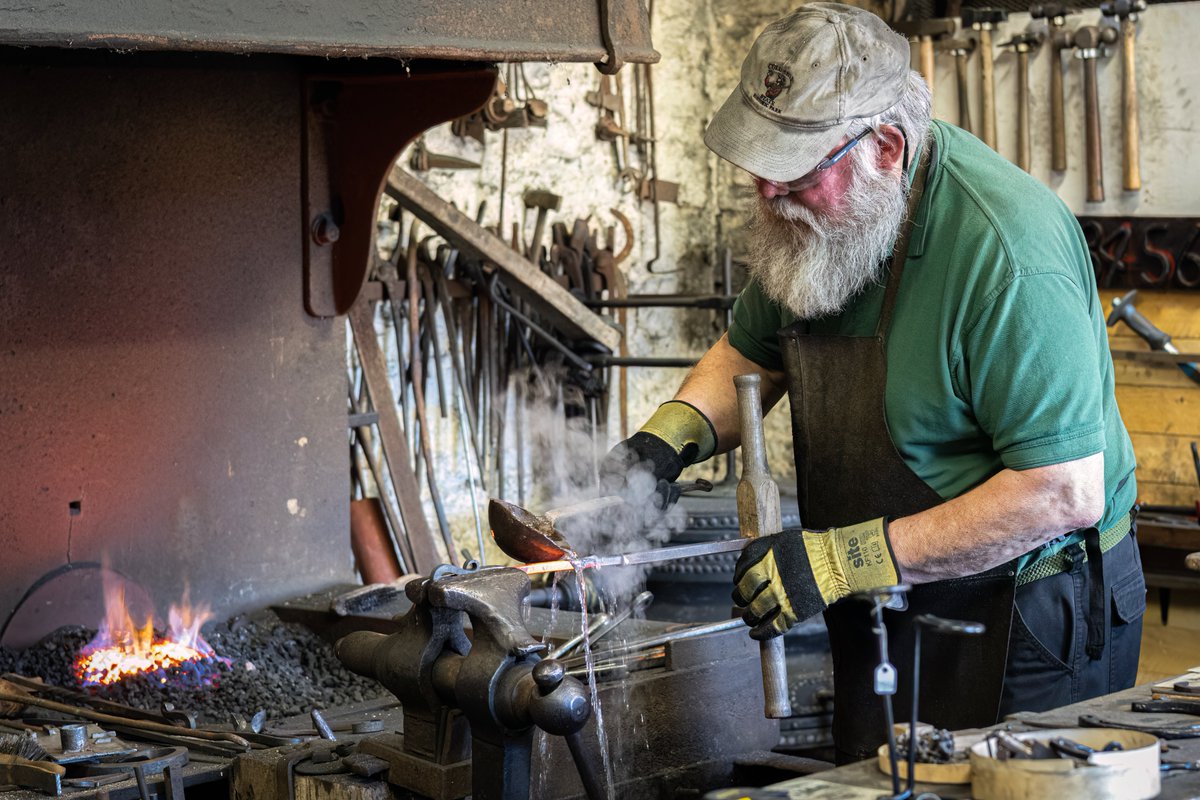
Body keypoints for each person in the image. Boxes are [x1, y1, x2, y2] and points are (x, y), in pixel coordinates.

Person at [600, 2, 1145, 762]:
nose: (765, 191)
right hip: (886, 589)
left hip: (1023, 606)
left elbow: (1060, 491)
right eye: (758, 164)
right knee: (875, 781)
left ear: (884, 148)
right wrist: (667, 440)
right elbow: (750, 351)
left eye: (790, 169)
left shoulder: (1006, 252)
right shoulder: (819, 223)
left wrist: (837, 560)